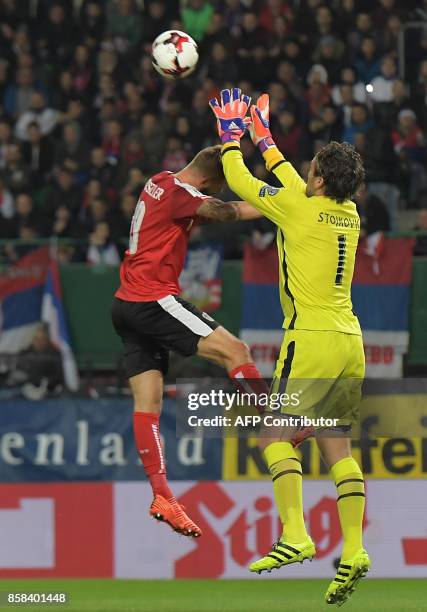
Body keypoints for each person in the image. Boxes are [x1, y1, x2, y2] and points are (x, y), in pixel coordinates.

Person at [209, 88, 369, 606]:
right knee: (336, 448)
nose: (306, 170)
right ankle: (354, 551)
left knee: (273, 437)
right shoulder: (347, 213)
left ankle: (296, 534)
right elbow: (292, 180)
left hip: (313, 339)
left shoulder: (298, 211)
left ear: (319, 179)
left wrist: (232, 136)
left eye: (313, 166)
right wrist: (264, 133)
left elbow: (241, 181)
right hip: (350, 342)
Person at [111, 144, 269, 540]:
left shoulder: (159, 182)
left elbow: (209, 181)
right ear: (211, 182)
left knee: (147, 406)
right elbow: (227, 212)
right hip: (152, 299)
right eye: (219, 187)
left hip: (125, 304)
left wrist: (230, 142)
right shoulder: (186, 195)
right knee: (237, 351)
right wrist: (283, 203)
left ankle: (162, 496)